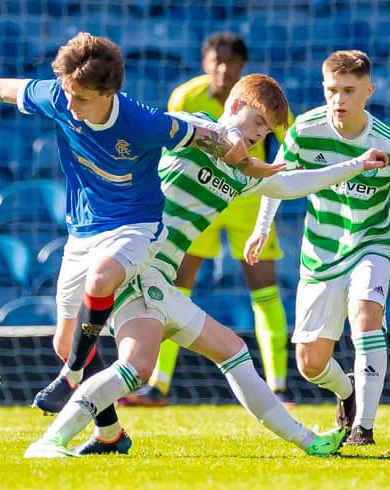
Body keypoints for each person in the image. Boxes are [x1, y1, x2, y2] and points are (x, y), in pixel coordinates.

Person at [0, 32, 258, 454]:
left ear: (109, 92)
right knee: (64, 340)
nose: (70, 107)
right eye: (68, 95)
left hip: (134, 226)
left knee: (101, 285)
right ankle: (110, 434)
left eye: (81, 99)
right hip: (82, 231)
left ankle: (74, 373)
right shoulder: (59, 97)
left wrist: (238, 151)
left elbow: (200, 133)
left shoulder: (142, 121)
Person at [22, 73, 390, 458]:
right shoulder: (194, 132)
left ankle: (308, 441)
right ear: (233, 107)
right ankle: (54, 438)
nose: (261, 134)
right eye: (258, 121)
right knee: (146, 362)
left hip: (157, 278)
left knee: (210, 354)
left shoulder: (242, 173)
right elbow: (164, 129)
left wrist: (356, 165)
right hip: (135, 261)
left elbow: (294, 184)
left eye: (268, 129)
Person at [244, 50, 390, 446]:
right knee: (310, 364)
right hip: (320, 253)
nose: (339, 99)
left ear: (369, 91)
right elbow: (276, 180)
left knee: (366, 316)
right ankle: (346, 390)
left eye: (349, 90)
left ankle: (363, 428)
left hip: (371, 243)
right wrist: (261, 228)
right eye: (332, 90)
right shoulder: (304, 130)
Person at [122, 32, 295, 407]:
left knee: (264, 288)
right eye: (217, 60)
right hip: (198, 199)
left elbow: (288, 147)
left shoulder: (261, 102)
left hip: (244, 200)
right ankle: (157, 386)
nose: (223, 68)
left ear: (242, 66)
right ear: (205, 62)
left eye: (231, 62)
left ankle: (279, 388)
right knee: (175, 282)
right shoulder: (187, 96)